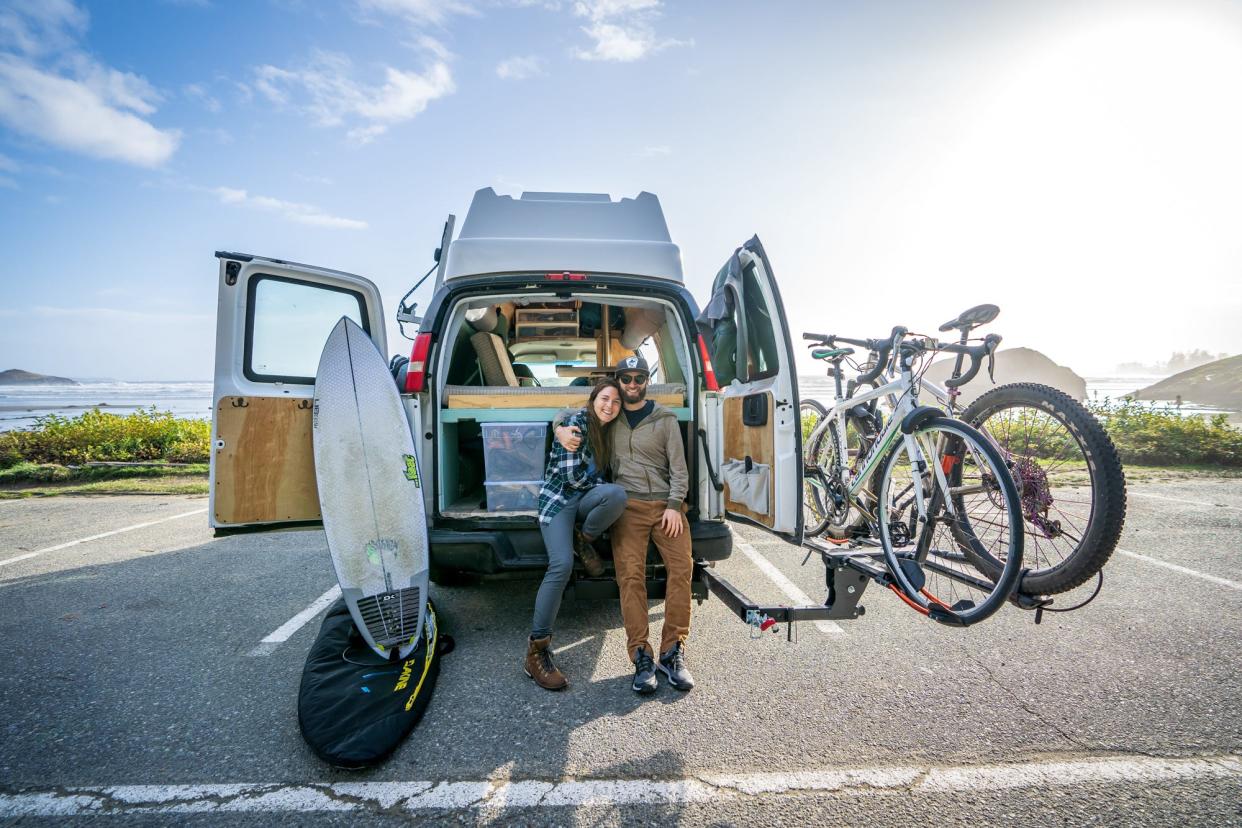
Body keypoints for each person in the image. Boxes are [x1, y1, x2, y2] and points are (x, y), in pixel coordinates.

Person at [555, 355, 695, 695]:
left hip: (666, 506)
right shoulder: (610, 417)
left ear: (647, 380)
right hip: (627, 507)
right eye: (626, 378)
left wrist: (675, 505)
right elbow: (568, 414)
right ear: (617, 381)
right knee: (630, 576)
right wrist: (559, 428)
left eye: (639, 378)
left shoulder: (665, 419)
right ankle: (641, 656)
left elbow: (680, 469)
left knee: (682, 569)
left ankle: (671, 652)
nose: (632, 384)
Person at [526, 379, 627, 691]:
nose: (609, 406)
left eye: (616, 402)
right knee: (560, 566)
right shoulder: (575, 424)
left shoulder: (610, 430)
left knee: (617, 496)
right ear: (593, 398)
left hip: (583, 501)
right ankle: (536, 650)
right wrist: (559, 426)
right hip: (559, 500)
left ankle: (582, 540)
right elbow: (570, 476)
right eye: (604, 399)